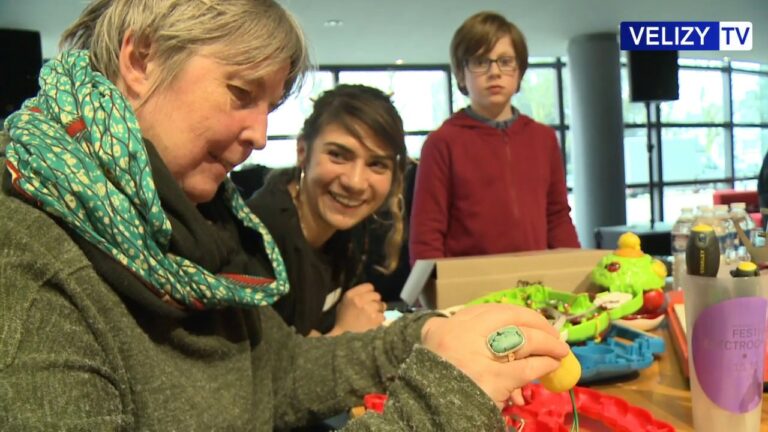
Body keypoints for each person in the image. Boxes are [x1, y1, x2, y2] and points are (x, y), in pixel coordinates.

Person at [0, 1, 569, 430]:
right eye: (240, 92)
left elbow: (280, 369)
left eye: (268, 107)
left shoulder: (203, 226)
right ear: (141, 59)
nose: (258, 134)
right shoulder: (32, 269)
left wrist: (432, 335)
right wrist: (441, 400)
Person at [409, 11, 580, 266]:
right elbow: (426, 235)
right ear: (460, 73)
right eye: (480, 62)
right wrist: (436, 293)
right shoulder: (442, 143)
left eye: (505, 61)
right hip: (469, 288)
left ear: (519, 70)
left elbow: (557, 217)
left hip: (536, 281)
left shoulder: (543, 139)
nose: (494, 72)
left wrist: (574, 271)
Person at [247, 84, 405, 336]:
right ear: (303, 152)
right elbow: (257, 368)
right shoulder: (259, 238)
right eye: (338, 155)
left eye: (376, 164)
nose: (355, 182)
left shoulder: (354, 225)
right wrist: (342, 333)